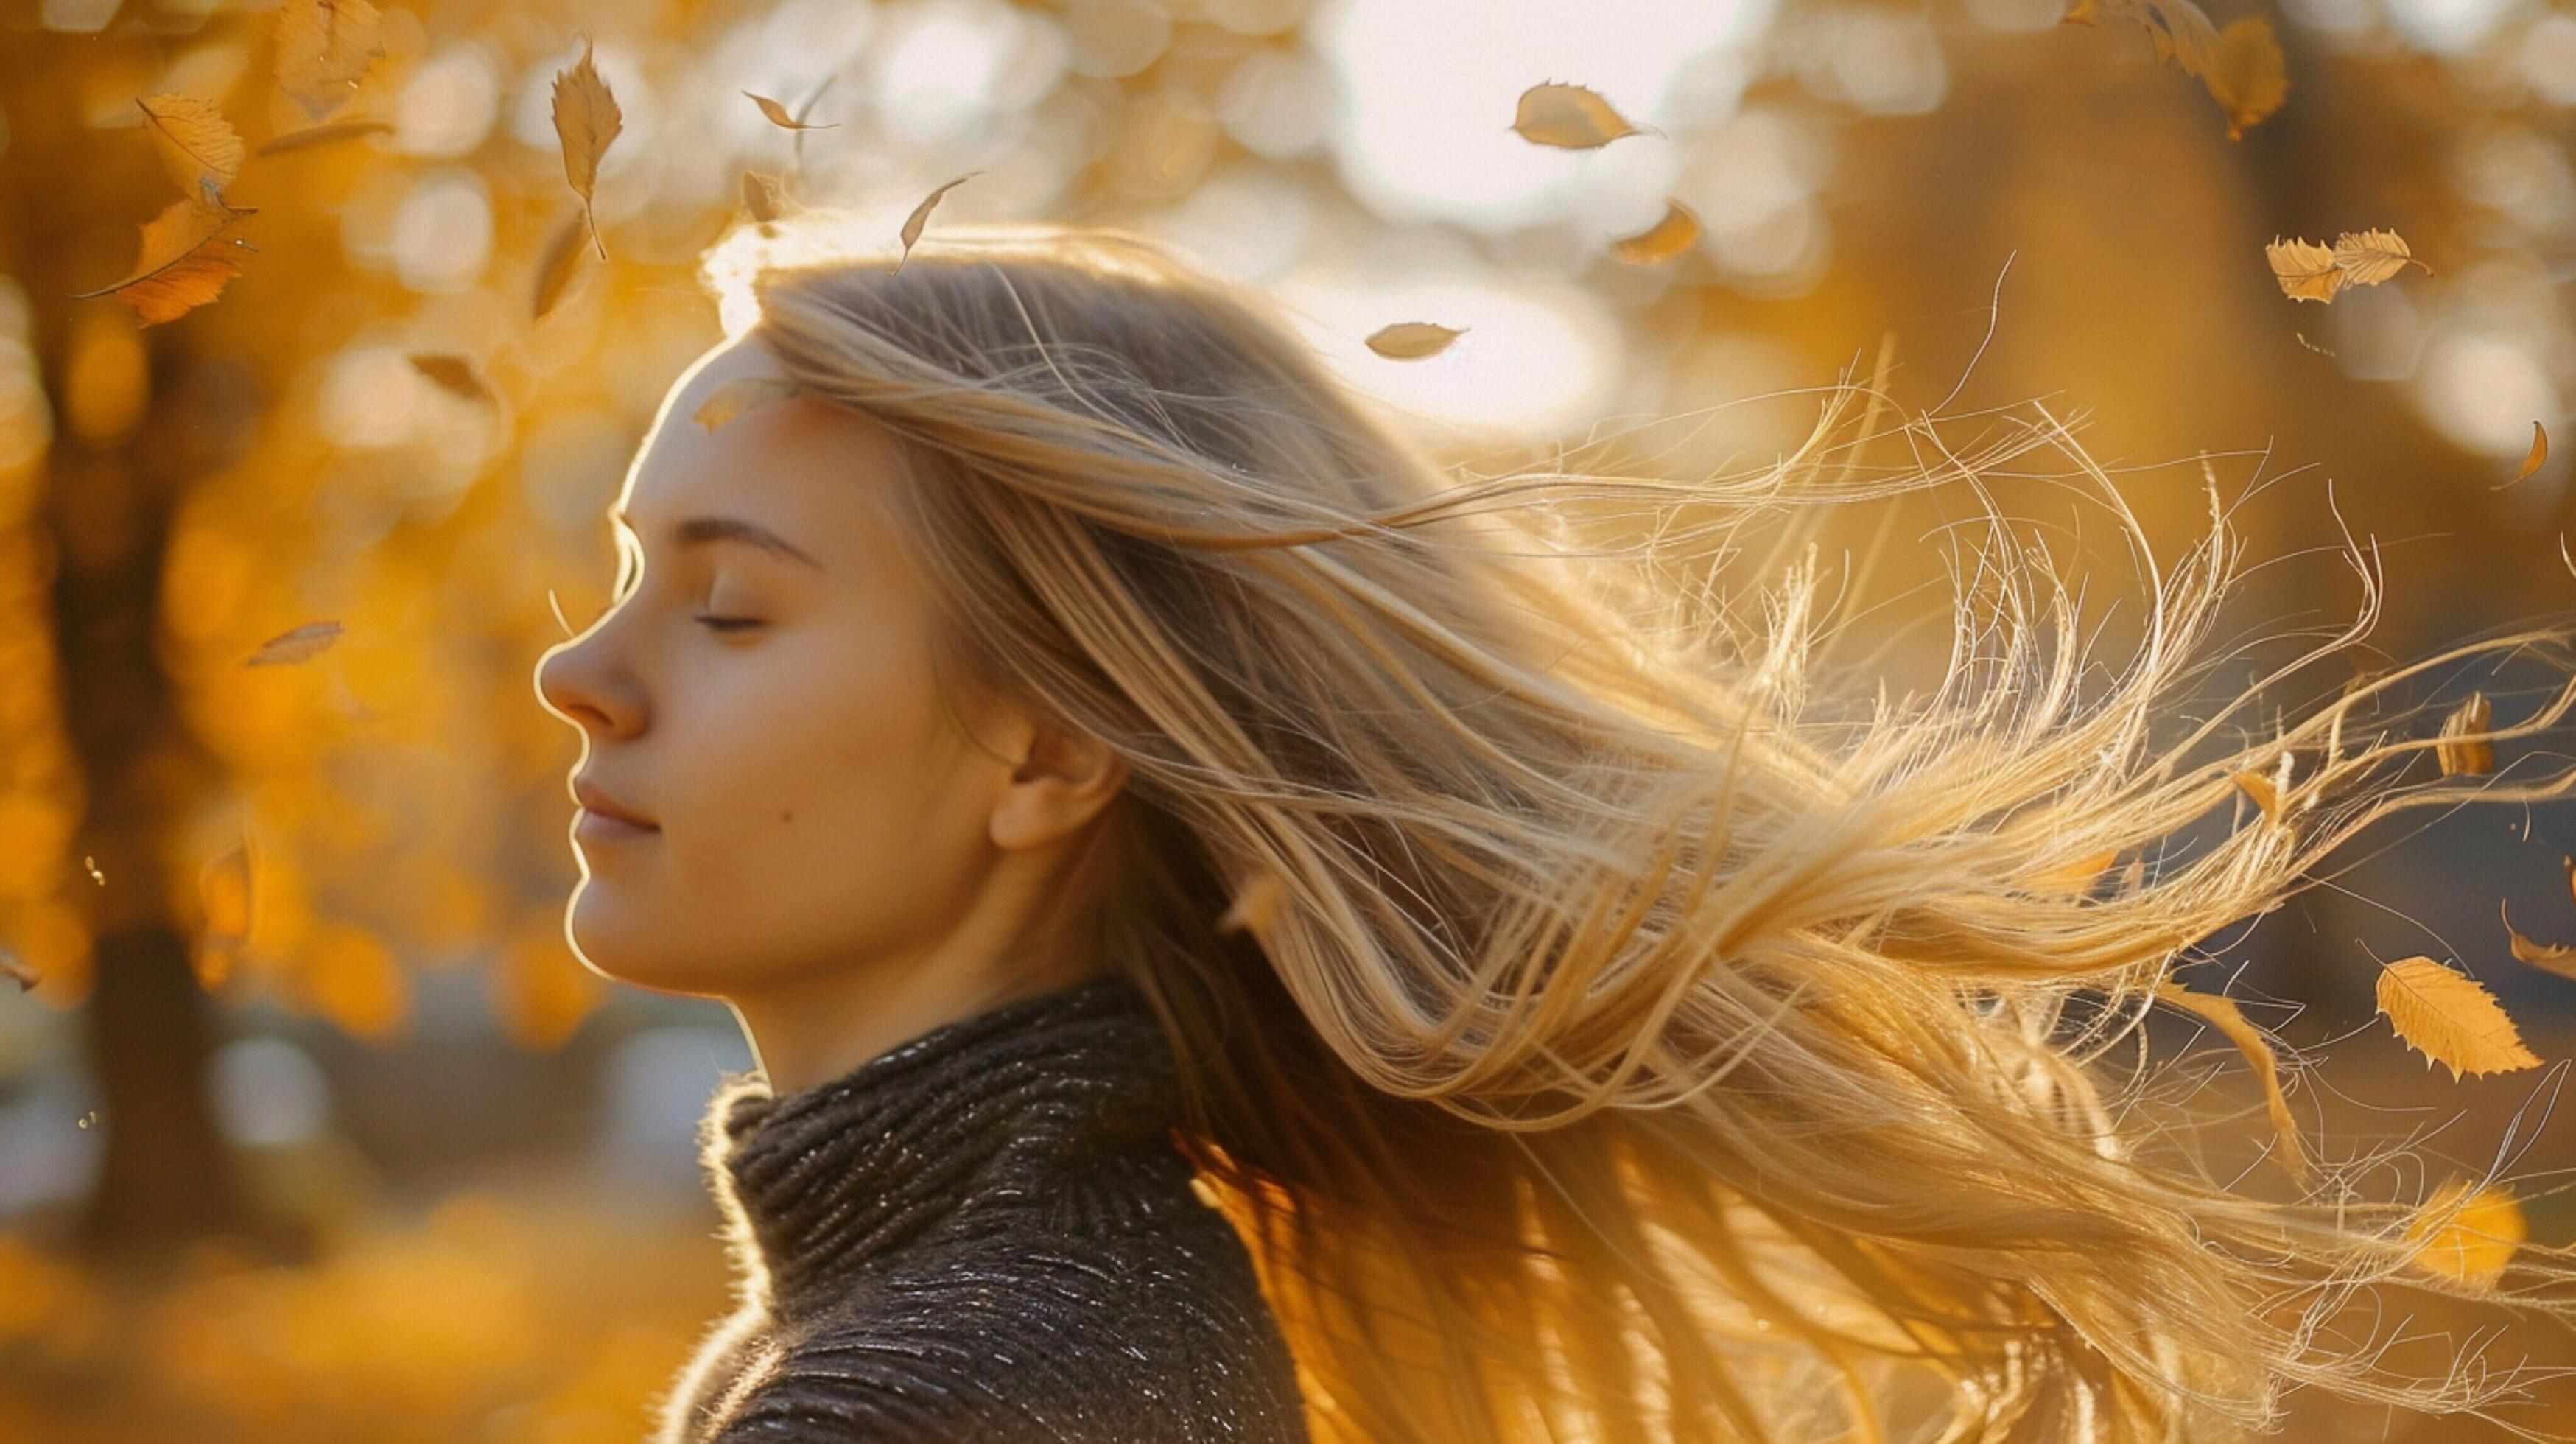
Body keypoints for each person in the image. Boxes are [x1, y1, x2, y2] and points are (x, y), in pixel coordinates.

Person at [534, 211, 2576, 1442]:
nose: (583, 672)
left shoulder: (967, 1388)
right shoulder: (997, 1316)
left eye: (727, 608)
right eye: (625, 575)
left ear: (1049, 756)